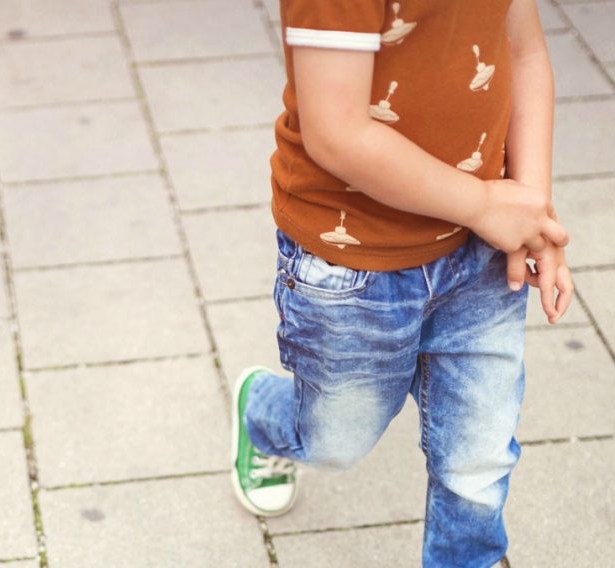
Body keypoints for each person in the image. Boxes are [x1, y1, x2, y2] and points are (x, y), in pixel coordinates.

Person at [230, 1, 574, 566]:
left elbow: (524, 51)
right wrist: (486, 203)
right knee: (336, 440)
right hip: (354, 265)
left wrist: (530, 210)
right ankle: (261, 412)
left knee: (478, 459)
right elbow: (336, 133)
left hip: (480, 251)